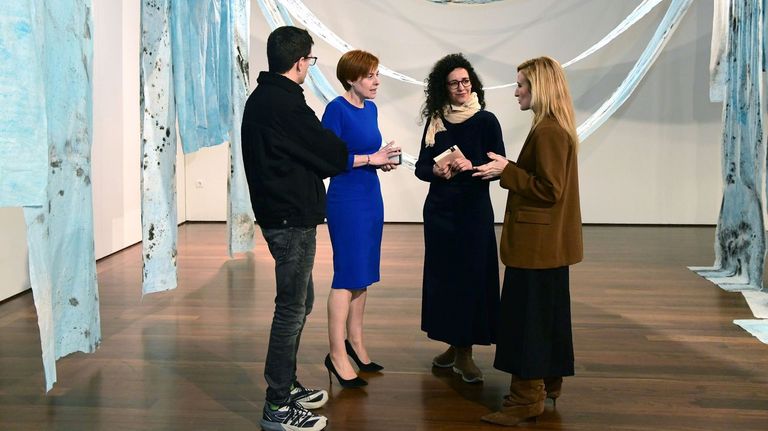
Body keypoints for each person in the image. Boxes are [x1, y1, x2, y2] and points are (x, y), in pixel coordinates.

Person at [241, 26, 349, 431]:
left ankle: (286, 387)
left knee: (300, 304)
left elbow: (310, 155)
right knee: (290, 310)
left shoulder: (263, 100)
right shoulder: (285, 104)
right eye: (310, 60)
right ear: (300, 61)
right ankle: (276, 406)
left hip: (282, 217)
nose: (309, 66)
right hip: (291, 221)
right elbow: (332, 154)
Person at [473, 56, 583, 426]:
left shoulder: (550, 131)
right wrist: (510, 169)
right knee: (547, 316)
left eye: (521, 84)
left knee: (526, 322)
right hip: (548, 244)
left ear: (540, 88)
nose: (516, 91)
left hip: (536, 246)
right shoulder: (554, 126)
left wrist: (508, 171)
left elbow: (549, 189)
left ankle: (524, 399)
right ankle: (549, 382)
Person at [414, 53, 504, 383]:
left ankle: (466, 352)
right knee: (445, 281)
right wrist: (435, 170)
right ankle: (453, 344)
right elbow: (420, 168)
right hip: (440, 214)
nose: (461, 87)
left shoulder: (486, 120)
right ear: (444, 88)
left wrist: (473, 166)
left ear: (473, 84)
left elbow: (498, 167)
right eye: (454, 83)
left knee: (471, 279)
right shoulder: (436, 120)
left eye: (465, 81)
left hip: (473, 214)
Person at [320, 50, 401, 388]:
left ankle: (357, 343)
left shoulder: (371, 108)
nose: (376, 81)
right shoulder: (336, 110)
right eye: (369, 75)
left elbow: (364, 155)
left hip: (370, 195)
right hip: (346, 199)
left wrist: (381, 161)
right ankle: (336, 354)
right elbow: (327, 159)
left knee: (362, 276)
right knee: (346, 276)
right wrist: (372, 157)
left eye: (377, 74)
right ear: (351, 78)